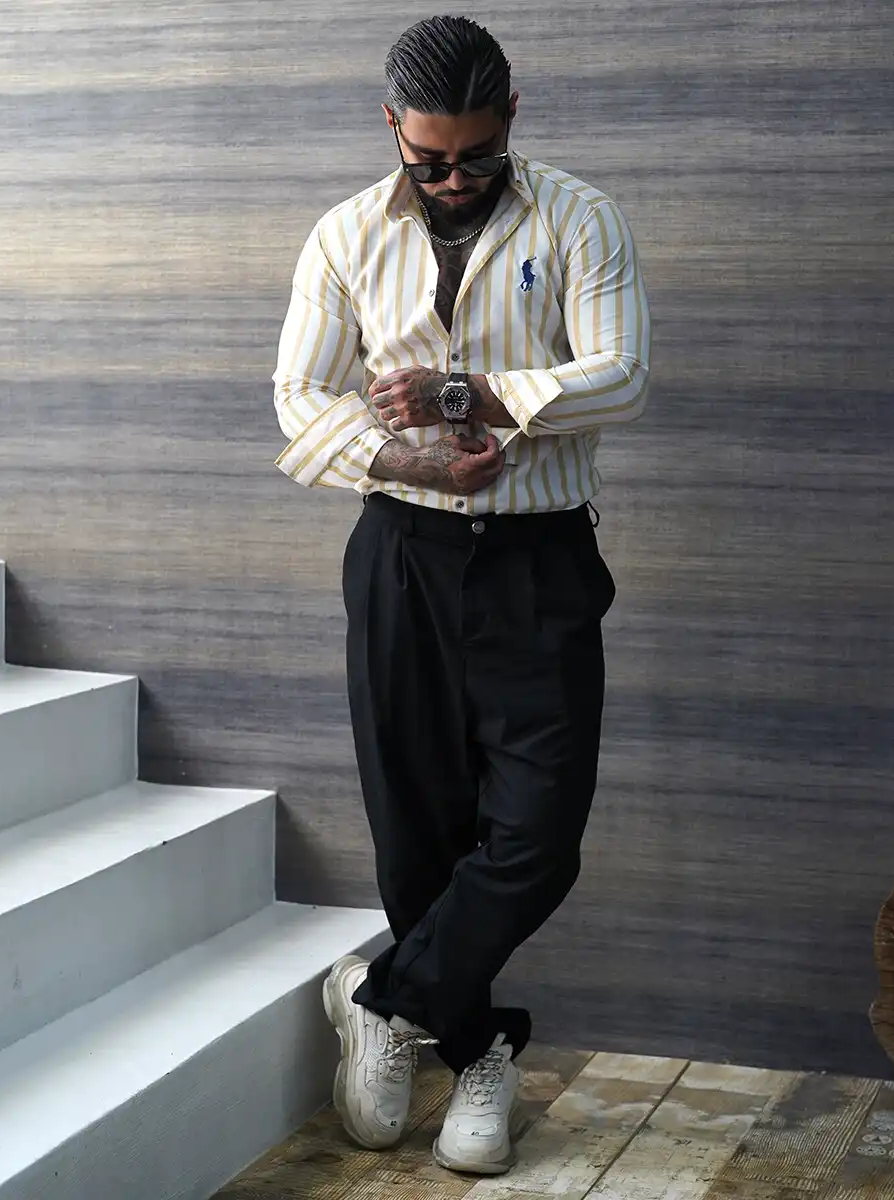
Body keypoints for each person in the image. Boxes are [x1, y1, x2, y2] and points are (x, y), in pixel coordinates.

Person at [272, 14, 650, 1177]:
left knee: (538, 835)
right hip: (401, 555)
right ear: (392, 125)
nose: (451, 179)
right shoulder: (344, 234)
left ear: (512, 117)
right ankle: (479, 1049)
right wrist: (404, 456)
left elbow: (621, 375)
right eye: (428, 158)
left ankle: (384, 996)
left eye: (476, 156)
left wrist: (469, 395)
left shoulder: (579, 218)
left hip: (539, 563)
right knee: (417, 829)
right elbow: (299, 398)